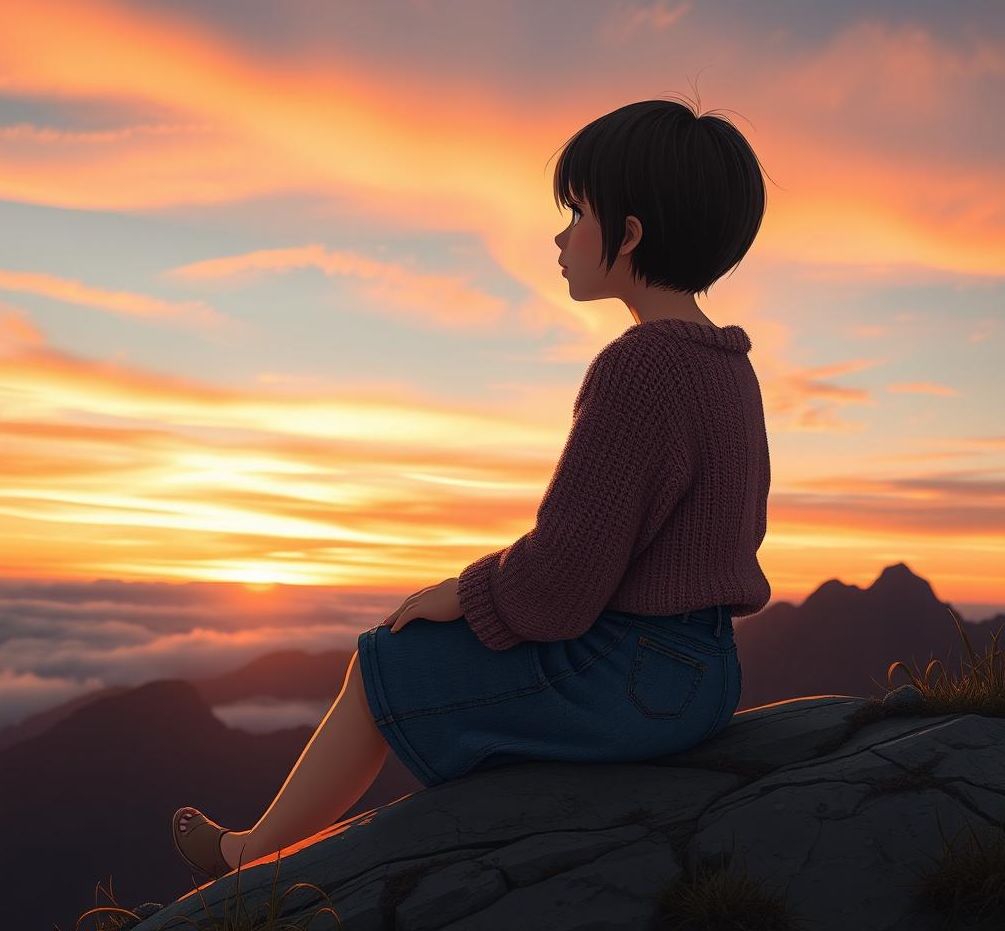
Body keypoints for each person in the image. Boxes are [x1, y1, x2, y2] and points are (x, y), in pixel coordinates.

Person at [173, 95, 773, 880]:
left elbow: (564, 577)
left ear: (629, 235)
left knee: (388, 659)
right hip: (708, 672)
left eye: (577, 213)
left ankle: (246, 859)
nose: (560, 237)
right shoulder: (730, 364)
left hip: (635, 680)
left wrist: (467, 592)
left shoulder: (641, 366)